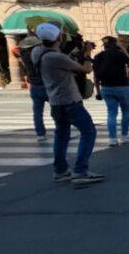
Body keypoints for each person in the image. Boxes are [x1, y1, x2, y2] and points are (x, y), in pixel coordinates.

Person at [31, 23, 104, 186]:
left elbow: (64, 61)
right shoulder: (56, 57)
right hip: (70, 100)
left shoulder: (37, 52)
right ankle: (80, 171)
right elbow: (85, 69)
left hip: (55, 101)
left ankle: (61, 170)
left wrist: (76, 51)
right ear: (58, 38)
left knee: (62, 135)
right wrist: (87, 53)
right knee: (88, 132)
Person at [93, 36, 129, 146]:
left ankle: (112, 139)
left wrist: (98, 91)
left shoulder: (98, 56)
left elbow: (96, 76)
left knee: (111, 113)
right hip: (122, 87)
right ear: (115, 44)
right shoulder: (120, 54)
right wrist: (125, 52)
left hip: (106, 88)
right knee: (126, 112)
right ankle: (124, 136)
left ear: (104, 45)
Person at [19, 33, 49, 141]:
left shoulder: (24, 57)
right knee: (57, 109)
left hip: (34, 86)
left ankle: (40, 134)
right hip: (46, 85)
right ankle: (63, 131)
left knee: (37, 112)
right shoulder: (40, 56)